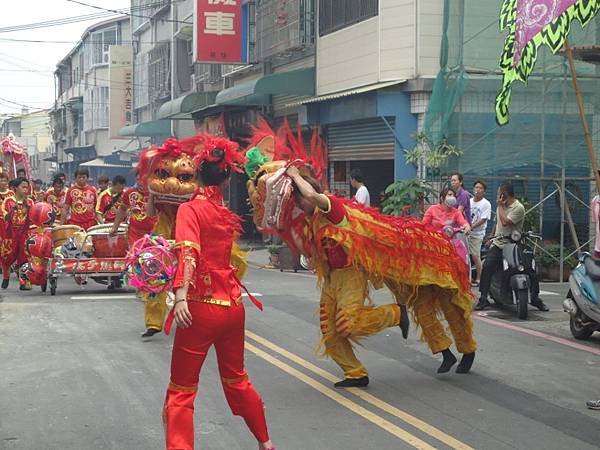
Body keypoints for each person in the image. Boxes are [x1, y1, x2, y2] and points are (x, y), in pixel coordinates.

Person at [163, 144, 275, 450]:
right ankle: (266, 443)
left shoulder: (190, 209)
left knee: (182, 391)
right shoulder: (223, 213)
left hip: (201, 306)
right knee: (237, 379)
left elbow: (189, 252)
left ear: (196, 176)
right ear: (226, 181)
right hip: (233, 307)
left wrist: (181, 295)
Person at [285, 164, 409, 388]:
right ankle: (355, 373)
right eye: (297, 201)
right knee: (329, 330)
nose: (300, 204)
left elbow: (312, 194)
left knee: (348, 325)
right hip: (332, 279)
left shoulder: (331, 206)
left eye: (300, 199)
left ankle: (396, 314)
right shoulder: (310, 220)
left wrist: (294, 175)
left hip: (351, 273)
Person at [475, 183, 548, 311]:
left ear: (505, 194)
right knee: (487, 266)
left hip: (513, 246)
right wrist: (491, 237)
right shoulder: (501, 206)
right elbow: (498, 223)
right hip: (498, 244)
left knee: (529, 268)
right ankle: (483, 298)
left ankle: (535, 297)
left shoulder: (517, 207)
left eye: (500, 193)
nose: (498, 196)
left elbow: (505, 222)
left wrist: (500, 206)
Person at [1, 177, 34, 290]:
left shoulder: (30, 201)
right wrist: (12, 210)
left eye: (27, 187)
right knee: (7, 258)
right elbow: (5, 217)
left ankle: (23, 282)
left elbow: (33, 219)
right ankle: (6, 276)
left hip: (24, 233)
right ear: (15, 188)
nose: (25, 189)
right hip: (10, 233)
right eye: (23, 187)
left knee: (24, 257)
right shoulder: (8, 201)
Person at [469, 180, 491, 285]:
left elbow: (483, 219)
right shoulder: (469, 201)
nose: (477, 190)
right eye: (476, 187)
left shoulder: (486, 204)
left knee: (475, 255)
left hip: (477, 234)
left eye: (480, 188)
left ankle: (479, 278)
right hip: (467, 232)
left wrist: (471, 227)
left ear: (484, 191)